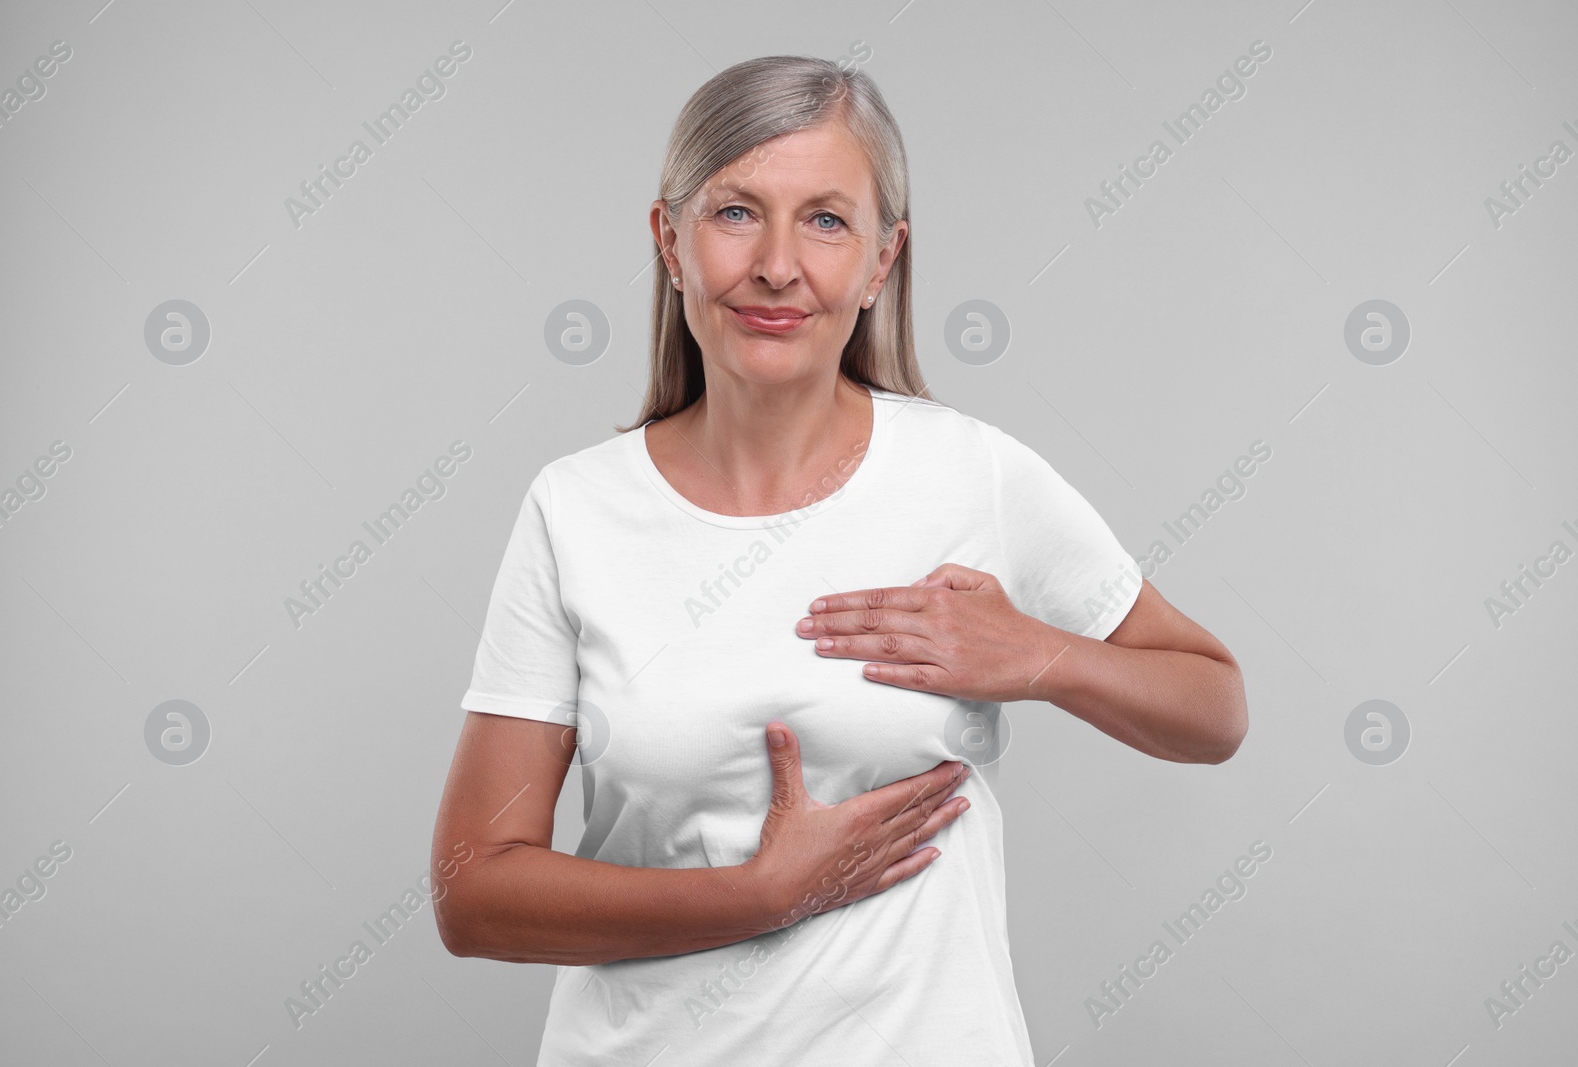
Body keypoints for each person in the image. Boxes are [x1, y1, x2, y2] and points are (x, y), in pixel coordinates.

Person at [431, 54, 1247, 1065]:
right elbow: (473, 892)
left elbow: (1214, 708)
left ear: (880, 262)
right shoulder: (576, 509)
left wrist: (1037, 654)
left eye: (825, 220)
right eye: (736, 213)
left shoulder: (971, 473)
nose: (778, 264)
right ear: (669, 242)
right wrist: (761, 894)